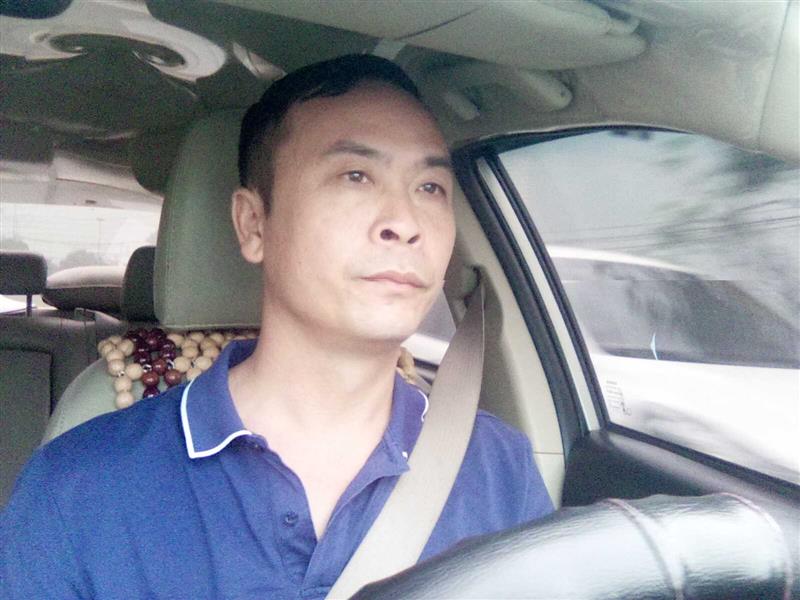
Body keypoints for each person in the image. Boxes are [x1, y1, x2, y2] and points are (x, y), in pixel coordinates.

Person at [0, 54, 553, 599]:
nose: (405, 223)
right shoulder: (82, 488)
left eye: (430, 187)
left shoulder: (498, 468)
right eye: (355, 176)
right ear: (253, 224)